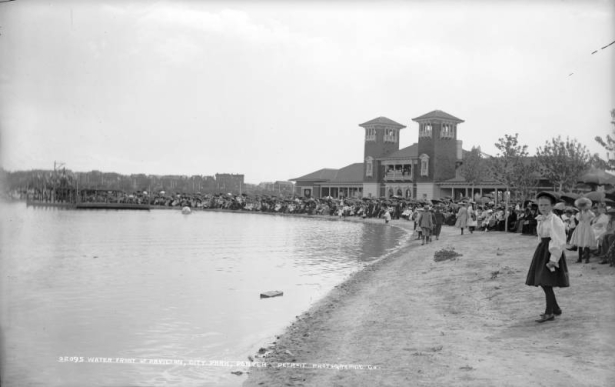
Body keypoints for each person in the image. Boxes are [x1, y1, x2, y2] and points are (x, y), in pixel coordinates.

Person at [525, 192, 569, 323]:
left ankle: (549, 312)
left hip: (551, 251)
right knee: (543, 281)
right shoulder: (542, 218)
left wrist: (553, 259)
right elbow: (541, 236)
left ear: (552, 206)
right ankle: (555, 308)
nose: (543, 207)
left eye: (546, 205)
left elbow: (559, 240)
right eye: (540, 205)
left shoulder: (555, 220)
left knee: (546, 282)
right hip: (542, 250)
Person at [569, 197, 596, 263]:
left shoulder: (589, 213)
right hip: (580, 228)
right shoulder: (579, 213)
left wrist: (588, 211)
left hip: (587, 227)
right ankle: (580, 258)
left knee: (586, 244)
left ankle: (587, 259)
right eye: (581, 206)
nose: (583, 208)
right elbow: (579, 219)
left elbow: (593, 216)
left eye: (584, 206)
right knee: (580, 244)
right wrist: (580, 212)